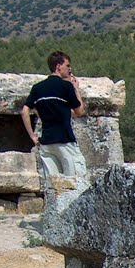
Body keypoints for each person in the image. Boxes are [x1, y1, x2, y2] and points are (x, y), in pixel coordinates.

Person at [20, 51, 87, 187]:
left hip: (46, 142)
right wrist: (76, 89)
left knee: (53, 186)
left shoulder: (37, 88)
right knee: (75, 183)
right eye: (67, 65)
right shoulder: (66, 86)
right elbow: (79, 111)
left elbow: (25, 111)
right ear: (58, 66)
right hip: (64, 141)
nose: (70, 69)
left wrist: (33, 137)